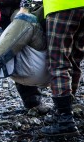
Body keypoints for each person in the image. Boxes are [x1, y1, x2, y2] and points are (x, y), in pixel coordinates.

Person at [40, 0, 84, 137]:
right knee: (74, 59)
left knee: (58, 61)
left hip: (61, 5)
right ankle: (64, 111)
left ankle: (65, 120)